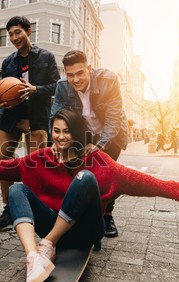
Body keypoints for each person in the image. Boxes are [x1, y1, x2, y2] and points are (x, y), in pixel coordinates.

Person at [0, 108, 179, 282]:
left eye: (67, 131)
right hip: (53, 224)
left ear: (78, 133)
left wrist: (177, 189)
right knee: (16, 190)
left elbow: (136, 179)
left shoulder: (97, 160)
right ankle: (34, 257)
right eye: (56, 131)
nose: (60, 136)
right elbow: (3, 168)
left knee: (85, 178)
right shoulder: (42, 158)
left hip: (86, 230)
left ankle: (47, 243)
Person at [51, 50, 129, 238]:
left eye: (80, 73)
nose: (76, 79)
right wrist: (54, 142)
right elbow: (55, 115)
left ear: (89, 69)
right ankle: (78, 215)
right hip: (84, 133)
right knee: (80, 174)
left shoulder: (108, 79)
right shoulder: (62, 86)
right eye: (70, 75)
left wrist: (100, 145)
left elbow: (113, 118)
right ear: (65, 73)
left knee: (106, 176)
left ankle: (107, 216)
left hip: (111, 134)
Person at [0, 16, 60, 230]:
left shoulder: (46, 57)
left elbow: (57, 86)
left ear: (28, 31)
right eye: (11, 34)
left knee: (35, 164)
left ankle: (34, 207)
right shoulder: (8, 62)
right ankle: (8, 208)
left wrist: (36, 90)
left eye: (18, 32)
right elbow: (4, 89)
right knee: (3, 159)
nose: (14, 38)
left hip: (37, 116)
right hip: (12, 116)